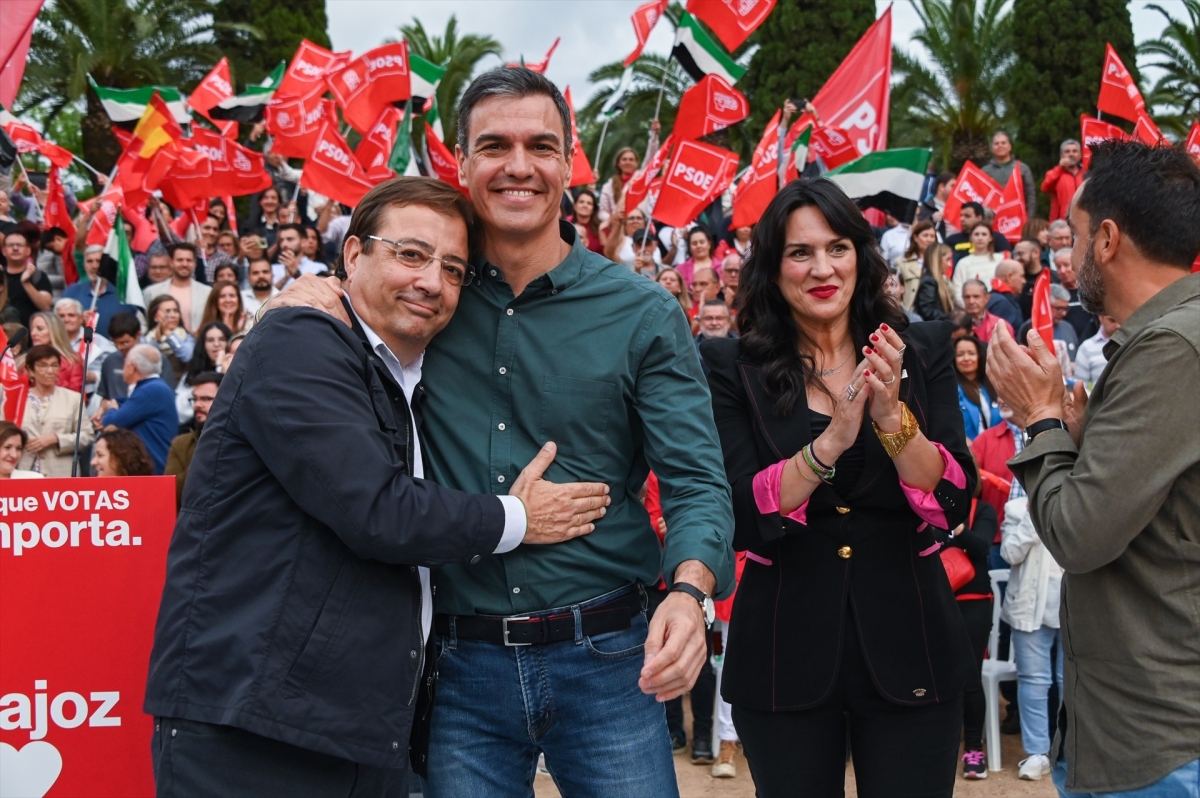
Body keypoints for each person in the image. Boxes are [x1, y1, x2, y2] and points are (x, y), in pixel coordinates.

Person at [265, 69, 735, 797]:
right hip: (456, 667)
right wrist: (300, 300)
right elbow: (333, 321)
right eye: (495, 146)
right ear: (460, 161)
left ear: (569, 163)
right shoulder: (420, 297)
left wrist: (690, 593)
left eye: (540, 146)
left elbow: (696, 479)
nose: (519, 165)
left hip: (610, 658)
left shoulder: (643, 313)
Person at [146, 176, 612, 797]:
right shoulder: (298, 339)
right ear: (353, 254)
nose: (432, 282)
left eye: (453, 269)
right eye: (411, 254)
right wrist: (520, 518)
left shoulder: (409, 374)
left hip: (358, 729)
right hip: (255, 731)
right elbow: (376, 510)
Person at [701, 177, 975, 797]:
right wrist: (828, 445)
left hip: (913, 643)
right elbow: (739, 512)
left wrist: (891, 419)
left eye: (838, 248)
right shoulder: (729, 366)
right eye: (800, 253)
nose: (822, 268)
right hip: (782, 652)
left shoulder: (919, 349)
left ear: (861, 255)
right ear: (773, 269)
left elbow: (955, 499)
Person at [988, 139, 1200, 797]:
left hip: (1158, 742)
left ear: (1106, 240)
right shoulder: (1171, 340)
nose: (1068, 255)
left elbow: (1080, 534)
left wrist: (1041, 419)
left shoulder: (1170, 350)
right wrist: (1080, 441)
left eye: (1075, 236)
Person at [999, 494, 1064, 782]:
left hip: (1077, 608)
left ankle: (1069, 748)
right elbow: (1010, 553)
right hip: (1028, 607)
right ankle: (1038, 752)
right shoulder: (1016, 508)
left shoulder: (1081, 503)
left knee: (1072, 680)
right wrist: (1031, 515)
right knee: (1034, 680)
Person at [942, 484, 998, 779]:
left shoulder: (983, 510)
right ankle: (937, 748)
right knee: (932, 675)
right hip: (935, 602)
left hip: (973, 603)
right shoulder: (925, 508)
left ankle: (974, 749)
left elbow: (982, 547)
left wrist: (958, 528)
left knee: (971, 677)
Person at [98, 343, 179, 474]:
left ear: (132, 367)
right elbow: (129, 405)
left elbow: (111, 424)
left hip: (154, 473)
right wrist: (115, 403)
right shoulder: (154, 388)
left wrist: (111, 409)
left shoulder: (151, 390)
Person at [18, 344, 94, 477]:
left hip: (61, 473)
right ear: (30, 370)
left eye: (54, 365)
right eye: (42, 366)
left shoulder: (73, 399)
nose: (50, 371)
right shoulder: (17, 399)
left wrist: (56, 439)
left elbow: (87, 436)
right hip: (24, 471)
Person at [165, 371, 220, 505]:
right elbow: (170, 492)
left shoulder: (243, 441)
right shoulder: (181, 444)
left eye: (206, 399)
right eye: (195, 399)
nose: (197, 405)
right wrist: (206, 448)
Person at [62, 244, 140, 338]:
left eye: (99, 261)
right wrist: (79, 321)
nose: (94, 266)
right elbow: (58, 324)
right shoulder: (71, 293)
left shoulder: (124, 294)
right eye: (89, 261)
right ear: (84, 265)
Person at [143, 242, 211, 334]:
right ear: (171, 263)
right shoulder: (152, 292)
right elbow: (145, 323)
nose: (184, 264)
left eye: (189, 260)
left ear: (195, 263)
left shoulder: (207, 292)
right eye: (180, 260)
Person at [175, 322, 230, 424]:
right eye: (210, 340)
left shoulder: (234, 371)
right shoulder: (192, 371)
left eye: (222, 339)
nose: (216, 344)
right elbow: (180, 410)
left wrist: (220, 368)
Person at [982, 130, 1036, 218]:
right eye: (996, 143)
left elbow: (1030, 195)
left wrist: (1029, 218)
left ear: (1010, 146)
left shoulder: (1022, 169)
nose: (1000, 146)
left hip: (1018, 217)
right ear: (992, 149)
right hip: (993, 219)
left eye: (1003, 143)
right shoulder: (984, 171)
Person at [955, 335, 1000, 440]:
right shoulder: (952, 391)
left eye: (971, 353)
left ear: (980, 356)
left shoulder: (993, 385)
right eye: (960, 354)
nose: (966, 359)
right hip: (969, 448)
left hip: (997, 447)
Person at [4, 229, 52, 326]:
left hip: (32, 332)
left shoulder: (38, 276)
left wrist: (26, 283)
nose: (15, 248)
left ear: (28, 250)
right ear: (4, 251)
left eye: (19, 245)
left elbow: (46, 307)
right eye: (11, 245)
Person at [143, 295, 194, 386]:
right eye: (167, 311)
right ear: (156, 317)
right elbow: (144, 362)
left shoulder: (188, 338)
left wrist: (169, 335)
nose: (173, 315)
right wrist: (156, 341)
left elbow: (187, 357)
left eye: (176, 311)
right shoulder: (144, 340)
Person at [27, 311, 84, 392]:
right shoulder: (24, 360)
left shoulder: (73, 360)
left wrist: (50, 379)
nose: (33, 333)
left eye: (40, 329)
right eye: (32, 329)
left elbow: (77, 393)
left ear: (54, 331)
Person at [1052, 249, 1099, 342]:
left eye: (1066, 265)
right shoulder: (1053, 293)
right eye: (1058, 267)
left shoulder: (1091, 290)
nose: (1062, 271)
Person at [953, 222, 1006, 298]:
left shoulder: (1000, 260)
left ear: (990, 238)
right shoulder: (963, 263)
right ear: (971, 237)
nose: (980, 238)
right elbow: (957, 291)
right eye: (976, 234)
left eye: (984, 234)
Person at [946, 202, 1011, 263]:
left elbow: (1006, 260)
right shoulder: (951, 240)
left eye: (967, 216)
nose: (962, 219)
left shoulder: (997, 238)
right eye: (961, 216)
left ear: (979, 218)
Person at [894, 220, 936, 312]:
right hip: (910, 311)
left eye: (932, 236)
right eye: (925, 235)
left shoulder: (939, 263)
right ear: (915, 237)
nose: (929, 239)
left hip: (932, 313)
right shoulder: (901, 262)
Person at [1041, 140, 1086, 223]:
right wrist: (1060, 168)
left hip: (1083, 219)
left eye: (1075, 151)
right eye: (1067, 151)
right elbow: (1045, 187)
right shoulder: (1055, 172)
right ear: (1061, 155)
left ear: (1080, 155)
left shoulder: (1086, 173)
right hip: (1062, 220)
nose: (1071, 154)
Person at [915, 242, 958, 322]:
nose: (949, 264)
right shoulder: (929, 282)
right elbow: (927, 311)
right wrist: (951, 317)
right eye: (947, 259)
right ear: (937, 260)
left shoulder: (941, 280)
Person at [962, 279, 1014, 344]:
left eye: (976, 297)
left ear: (986, 298)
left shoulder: (1001, 326)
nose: (971, 301)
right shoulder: (957, 326)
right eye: (967, 297)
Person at [271, 222, 321, 289]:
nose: (284, 244)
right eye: (281, 240)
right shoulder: (273, 269)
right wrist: (286, 277)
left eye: (290, 239)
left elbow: (316, 291)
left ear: (303, 242)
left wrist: (295, 273)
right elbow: (267, 294)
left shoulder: (318, 268)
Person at [1072, 313, 1118, 385]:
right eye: (1112, 320)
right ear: (1101, 317)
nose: (1117, 325)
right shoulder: (1086, 348)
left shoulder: (1132, 342)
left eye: (1120, 320)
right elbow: (1080, 385)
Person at [598, 146, 639, 223]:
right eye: (624, 159)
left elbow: (651, 159)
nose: (627, 162)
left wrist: (654, 139)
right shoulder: (609, 185)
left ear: (636, 163)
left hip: (637, 223)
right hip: (616, 225)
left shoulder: (642, 179)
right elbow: (602, 212)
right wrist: (613, 219)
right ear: (618, 163)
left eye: (631, 159)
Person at [1013, 238, 1052, 319]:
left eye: (1020, 254)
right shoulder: (1014, 279)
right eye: (1015, 254)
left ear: (1036, 253)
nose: (1017, 258)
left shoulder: (1052, 277)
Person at [917, 171, 957, 239]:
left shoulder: (957, 210)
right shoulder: (924, 207)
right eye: (952, 186)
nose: (955, 189)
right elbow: (917, 228)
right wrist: (931, 219)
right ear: (941, 187)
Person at [987, 259, 1026, 327]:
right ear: (1009, 277)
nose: (1024, 281)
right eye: (1021, 276)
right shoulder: (1001, 303)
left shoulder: (995, 298)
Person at [197, 214, 234, 283]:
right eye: (207, 228)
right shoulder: (188, 253)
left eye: (215, 229)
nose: (211, 233)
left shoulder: (224, 257)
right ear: (196, 229)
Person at [570, 189, 602, 253]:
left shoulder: (601, 229)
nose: (585, 206)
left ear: (593, 209)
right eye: (581, 202)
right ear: (574, 206)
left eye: (589, 203)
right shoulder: (566, 225)